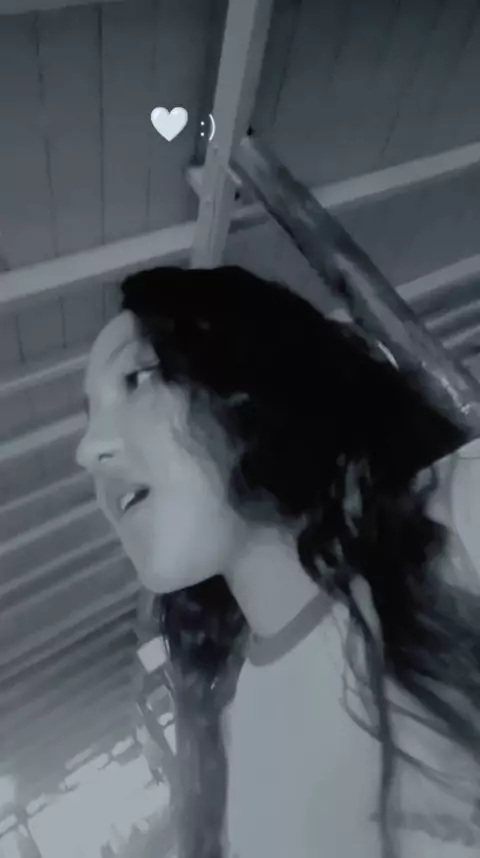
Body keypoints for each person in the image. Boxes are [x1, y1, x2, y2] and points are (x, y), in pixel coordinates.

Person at [76, 265, 480, 858]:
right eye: (89, 416)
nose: (87, 451)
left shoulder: (461, 510)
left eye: (137, 379)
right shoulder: (234, 744)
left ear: (245, 374)